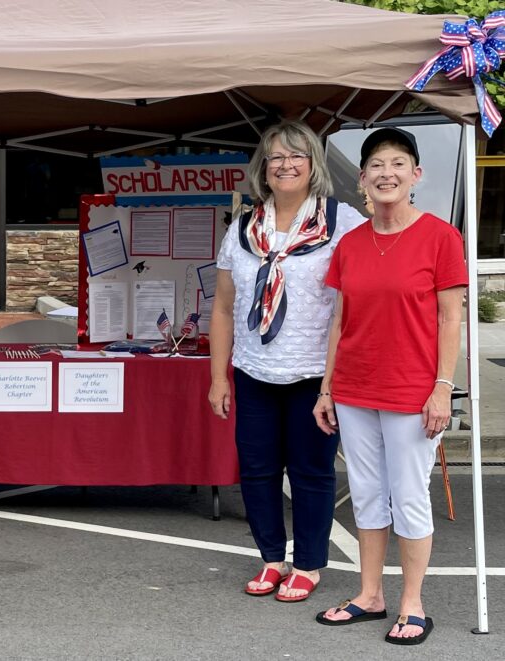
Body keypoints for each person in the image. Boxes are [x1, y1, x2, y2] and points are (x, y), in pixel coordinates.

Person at [314, 127, 466, 646]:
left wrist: (443, 386)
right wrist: (327, 388)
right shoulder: (350, 244)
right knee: (368, 496)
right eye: (377, 165)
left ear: (415, 174)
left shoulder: (441, 237)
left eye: (398, 163)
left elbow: (451, 319)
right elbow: (339, 320)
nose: (387, 173)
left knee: (409, 497)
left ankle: (413, 604)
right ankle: (370, 595)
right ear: (361, 179)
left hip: (411, 392)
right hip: (355, 390)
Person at [209, 119, 364, 603]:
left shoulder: (343, 223)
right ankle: (272, 559)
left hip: (315, 373)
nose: (285, 164)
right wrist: (219, 376)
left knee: (311, 471)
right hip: (254, 369)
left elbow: (352, 306)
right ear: (264, 167)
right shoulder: (243, 228)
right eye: (275, 157)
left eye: (296, 155)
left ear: (313, 164)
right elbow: (222, 306)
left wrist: (336, 384)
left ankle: (310, 564)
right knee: (256, 469)